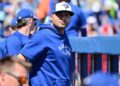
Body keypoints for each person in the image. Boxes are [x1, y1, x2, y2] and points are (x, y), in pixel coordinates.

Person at [18, 2, 74, 86]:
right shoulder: (43, 35)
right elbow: (20, 59)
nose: (63, 18)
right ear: (51, 17)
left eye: (67, 15)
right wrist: (23, 82)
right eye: (59, 14)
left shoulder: (64, 36)